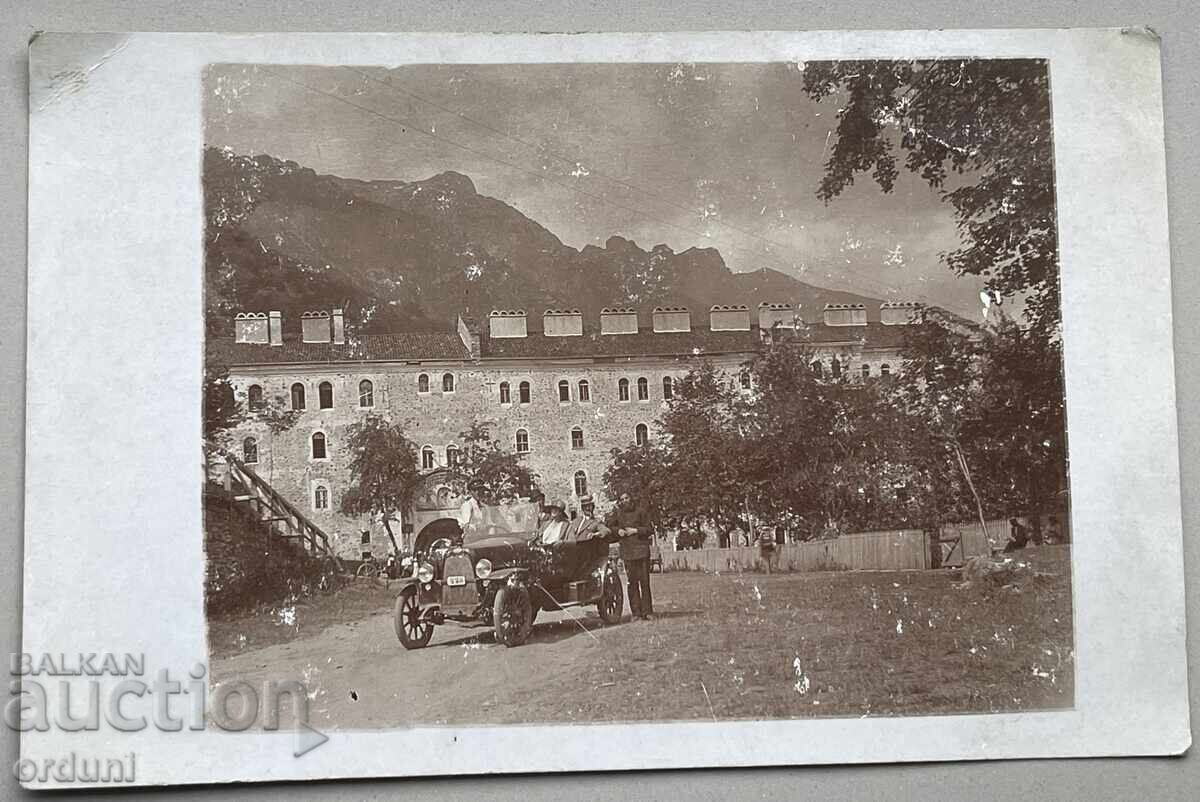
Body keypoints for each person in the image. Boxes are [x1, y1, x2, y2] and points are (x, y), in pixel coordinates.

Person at [607, 492, 654, 620]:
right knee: (632, 583)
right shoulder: (618, 514)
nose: (624, 501)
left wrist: (636, 530)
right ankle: (636, 613)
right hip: (628, 553)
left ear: (631, 498)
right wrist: (618, 531)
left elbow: (650, 529)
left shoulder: (641, 512)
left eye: (627, 498)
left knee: (644, 582)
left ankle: (647, 612)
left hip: (642, 551)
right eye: (622, 499)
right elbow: (610, 526)